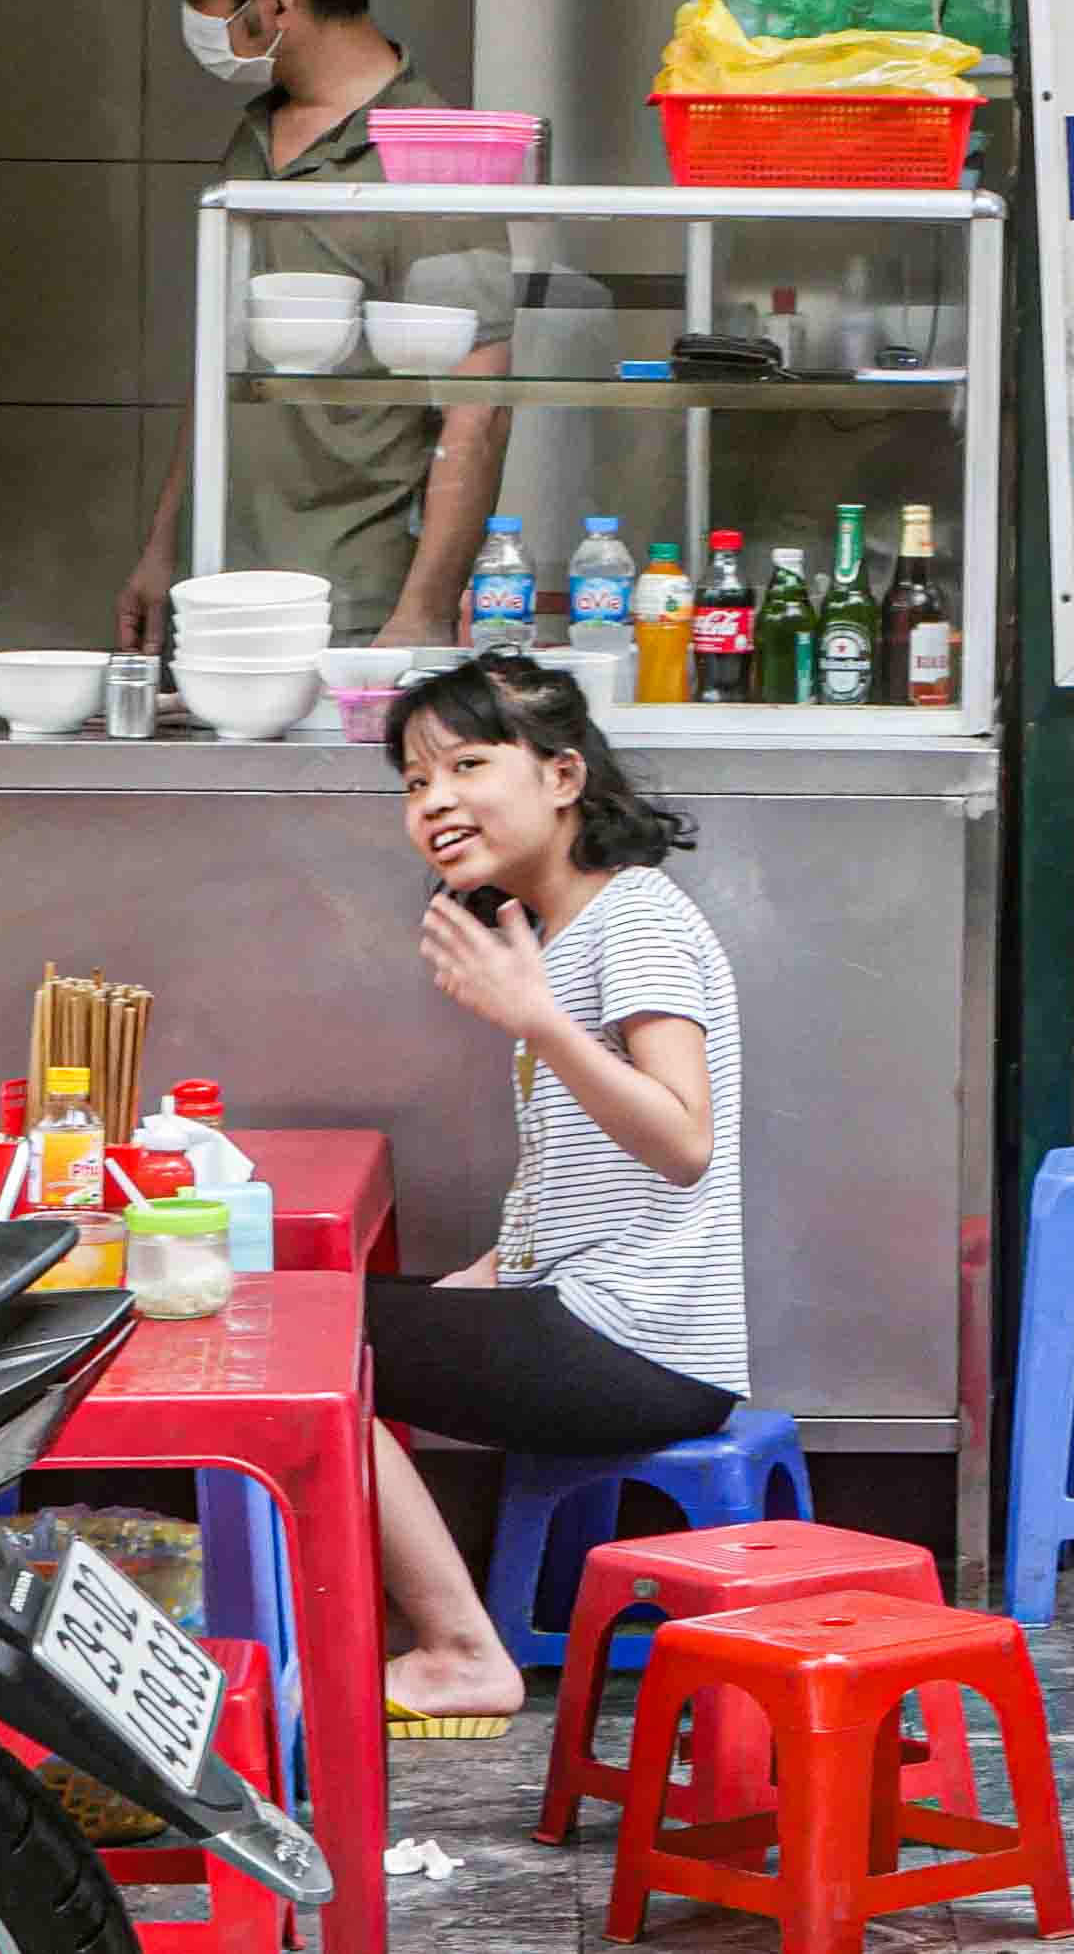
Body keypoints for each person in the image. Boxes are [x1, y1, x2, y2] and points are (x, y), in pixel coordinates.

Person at [353, 656, 744, 1733]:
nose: (433, 800)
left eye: (467, 764)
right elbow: (574, 1184)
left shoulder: (637, 920)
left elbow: (683, 1141)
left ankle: (459, 1648)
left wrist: (540, 1021)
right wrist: (476, 1281)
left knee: (313, 1343)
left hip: (641, 1346)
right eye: (412, 781)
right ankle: (405, 1626)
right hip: (593, 1318)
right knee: (322, 1313)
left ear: (564, 774)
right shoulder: (561, 929)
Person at [120, 0, 514, 655]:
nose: (189, 22)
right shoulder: (255, 136)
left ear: (272, 1)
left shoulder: (432, 155)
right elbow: (219, 366)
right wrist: (163, 547)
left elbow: (475, 414)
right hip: (215, 597)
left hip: (349, 616)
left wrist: (421, 616)